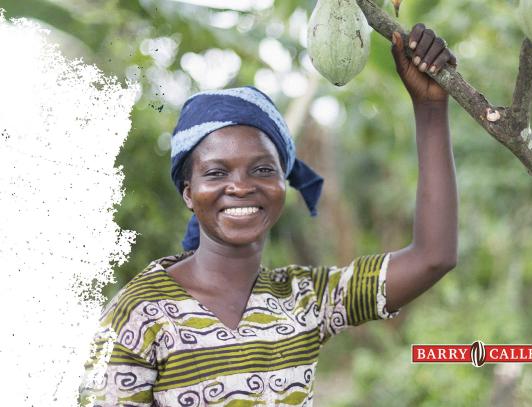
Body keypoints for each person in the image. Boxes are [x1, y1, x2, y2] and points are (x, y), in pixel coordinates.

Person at [78, 23, 458, 406]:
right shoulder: (138, 314)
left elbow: (432, 257)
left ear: (282, 184)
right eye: (216, 172)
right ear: (189, 194)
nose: (241, 186)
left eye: (262, 169)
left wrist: (429, 108)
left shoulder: (304, 300)